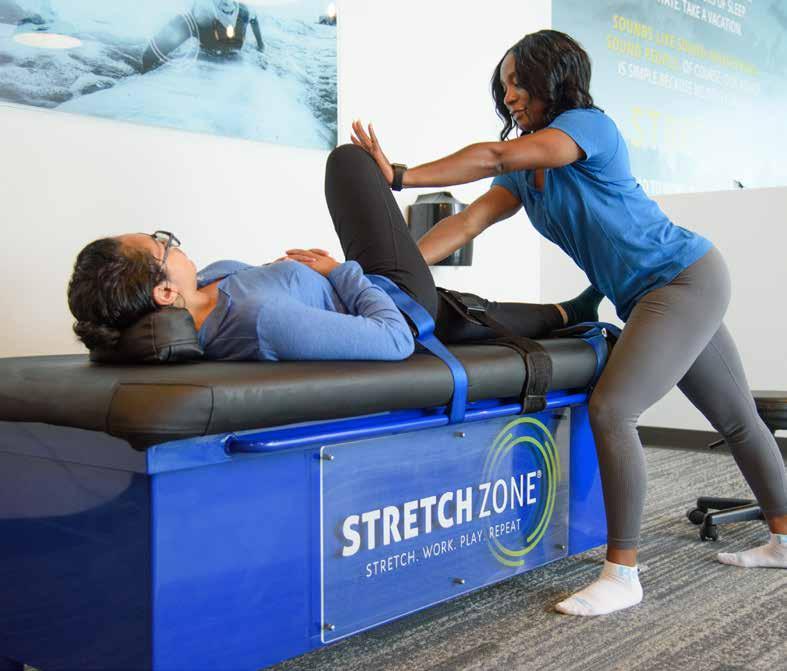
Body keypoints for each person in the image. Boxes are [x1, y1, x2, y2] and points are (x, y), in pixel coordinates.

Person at [349, 29, 787, 616]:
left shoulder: (588, 128)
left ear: (551, 77)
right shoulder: (523, 176)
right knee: (737, 418)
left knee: (612, 410)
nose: (509, 97)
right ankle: (785, 538)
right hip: (653, 294)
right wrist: (393, 272)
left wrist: (400, 175)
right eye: (504, 87)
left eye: (518, 83)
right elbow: (468, 222)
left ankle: (622, 574)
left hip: (684, 278)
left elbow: (495, 154)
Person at [66, 144, 603, 364]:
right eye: (163, 244)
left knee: (465, 313)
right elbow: (394, 340)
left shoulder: (199, 288)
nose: (173, 243)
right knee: (349, 162)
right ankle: (399, 177)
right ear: (164, 292)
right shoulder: (261, 322)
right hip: (394, 299)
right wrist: (340, 271)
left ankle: (568, 313)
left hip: (377, 291)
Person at [142, 0, 264, 73]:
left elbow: (254, 19)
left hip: (230, 65)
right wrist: (147, 67)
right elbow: (150, 54)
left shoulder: (244, 12)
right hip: (208, 64)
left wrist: (260, 46)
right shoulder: (199, 19)